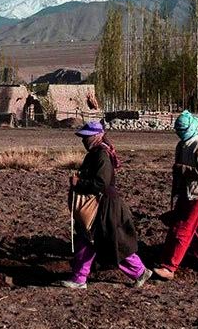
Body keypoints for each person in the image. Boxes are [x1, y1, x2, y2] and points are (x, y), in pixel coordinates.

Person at [59, 120, 152, 289]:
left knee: (99, 240)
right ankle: (138, 271)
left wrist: (79, 183)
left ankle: (80, 278)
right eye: (83, 137)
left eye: (86, 137)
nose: (83, 140)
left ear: (97, 136)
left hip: (104, 206)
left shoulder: (101, 155)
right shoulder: (97, 153)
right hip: (101, 204)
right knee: (98, 241)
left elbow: (101, 183)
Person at [153, 110, 198, 280]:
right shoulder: (183, 146)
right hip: (191, 192)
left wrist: (182, 170)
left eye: (182, 129)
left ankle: (169, 267)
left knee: (181, 228)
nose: (179, 132)